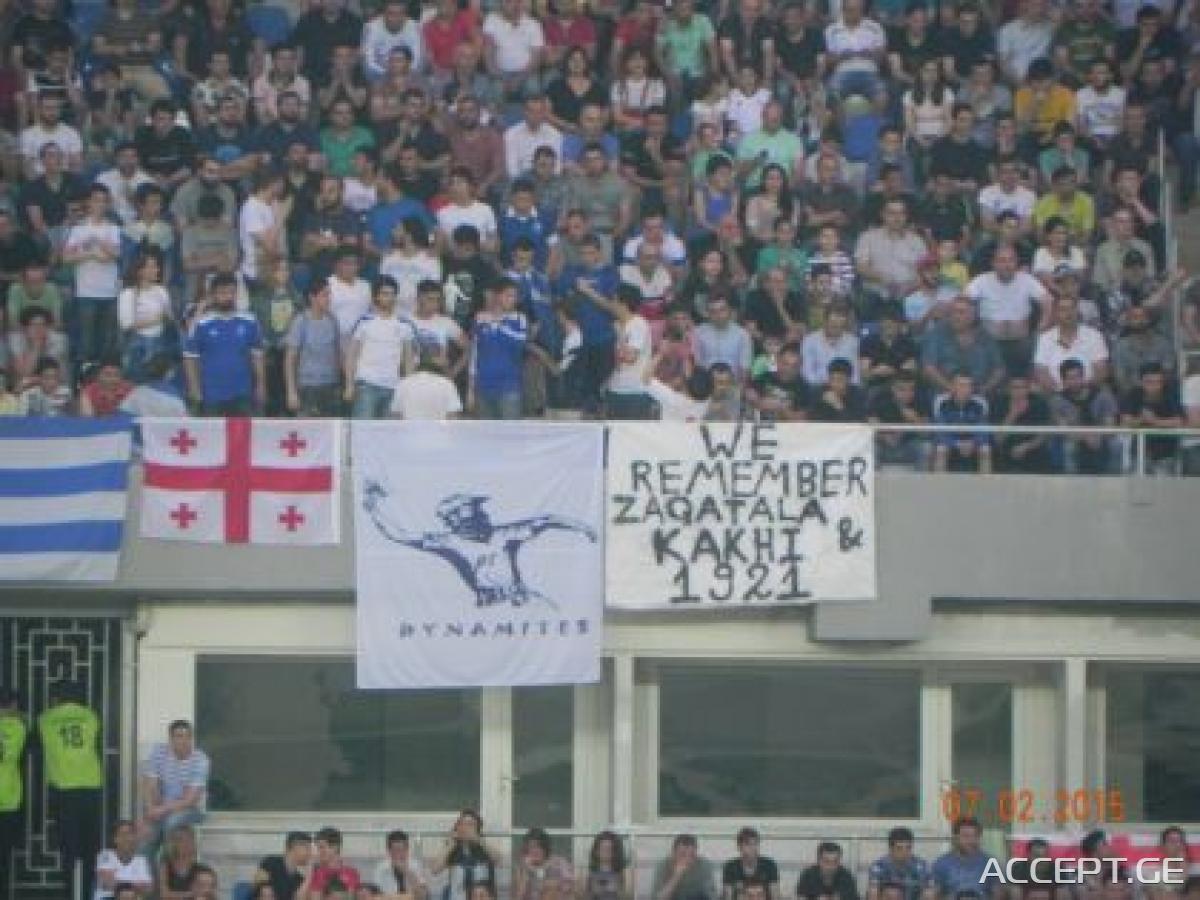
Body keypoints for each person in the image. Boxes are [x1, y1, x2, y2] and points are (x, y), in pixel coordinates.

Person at [38, 682, 104, 900]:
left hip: (64, 789)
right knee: (90, 846)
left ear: (56, 698)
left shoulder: (45, 719)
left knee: (69, 846)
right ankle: (86, 893)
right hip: (91, 787)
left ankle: (69, 893)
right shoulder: (91, 716)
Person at [183, 273, 267, 415]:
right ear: (213, 295)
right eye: (222, 293)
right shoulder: (200, 324)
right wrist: (195, 390)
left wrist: (261, 385)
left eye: (231, 292)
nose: (228, 297)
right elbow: (190, 358)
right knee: (212, 429)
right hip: (211, 395)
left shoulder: (250, 320)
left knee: (242, 429)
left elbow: (257, 355)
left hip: (242, 393)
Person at [345, 276, 417, 419]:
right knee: (363, 428)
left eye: (392, 294)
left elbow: (408, 361)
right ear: (376, 297)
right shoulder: (364, 322)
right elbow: (351, 356)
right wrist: (349, 385)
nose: (389, 298)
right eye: (385, 294)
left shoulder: (405, 325)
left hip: (393, 386)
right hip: (366, 384)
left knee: (388, 431)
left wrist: (408, 390)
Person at [138, 720, 209, 861]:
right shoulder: (159, 752)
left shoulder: (200, 760)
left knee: (172, 822)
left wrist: (160, 810)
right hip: (161, 808)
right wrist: (150, 811)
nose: (184, 740)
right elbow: (149, 785)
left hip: (191, 810)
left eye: (188, 736)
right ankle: (149, 874)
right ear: (170, 739)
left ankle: (168, 866)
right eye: (179, 736)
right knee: (145, 838)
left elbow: (190, 800)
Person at [932, 374, 993, 474]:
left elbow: (983, 432)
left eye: (968, 385)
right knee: (941, 449)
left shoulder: (980, 404)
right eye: (961, 385)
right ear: (953, 387)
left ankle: (986, 483)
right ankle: (939, 483)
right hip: (951, 441)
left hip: (972, 442)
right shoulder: (942, 403)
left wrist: (973, 443)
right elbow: (940, 432)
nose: (965, 389)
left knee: (985, 449)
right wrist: (957, 444)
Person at [431, 810, 497, 900]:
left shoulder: (484, 848)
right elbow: (434, 869)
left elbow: (499, 860)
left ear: (477, 829)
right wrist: (451, 844)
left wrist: (478, 840)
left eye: (470, 825)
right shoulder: (453, 849)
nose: (466, 828)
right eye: (462, 824)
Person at [0, 688, 27, 900]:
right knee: (4, 857)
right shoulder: (18, 727)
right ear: (12, 705)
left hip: (8, 801)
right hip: (8, 800)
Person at [931, 818, 999, 899]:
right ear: (956, 838)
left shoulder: (990, 863)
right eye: (966, 836)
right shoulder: (941, 864)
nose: (971, 840)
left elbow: (998, 894)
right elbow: (933, 894)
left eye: (975, 836)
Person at [95, 820, 153, 900]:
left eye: (130, 834)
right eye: (123, 834)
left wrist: (120, 884)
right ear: (115, 839)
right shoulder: (105, 856)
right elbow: (107, 883)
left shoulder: (141, 860)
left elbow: (148, 888)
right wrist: (134, 886)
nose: (127, 838)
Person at [513, 828, 574, 900]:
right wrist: (525, 872)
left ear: (545, 848)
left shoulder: (560, 864)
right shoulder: (523, 867)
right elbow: (518, 896)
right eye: (531, 847)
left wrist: (552, 884)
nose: (535, 851)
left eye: (539, 847)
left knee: (551, 887)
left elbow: (570, 890)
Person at [652, 834, 715, 900]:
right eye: (683, 854)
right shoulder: (663, 865)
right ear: (674, 853)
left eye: (692, 855)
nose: (687, 859)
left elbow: (711, 895)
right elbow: (659, 898)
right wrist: (677, 875)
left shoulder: (703, 865)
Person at [722, 828, 779, 900]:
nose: (753, 848)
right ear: (739, 847)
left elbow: (775, 895)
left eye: (755, 844)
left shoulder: (769, 865)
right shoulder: (730, 867)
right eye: (748, 844)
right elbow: (728, 896)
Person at [256, 832, 314, 900]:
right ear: (295, 847)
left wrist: (309, 875)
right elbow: (258, 890)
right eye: (307, 848)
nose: (310, 853)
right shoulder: (270, 862)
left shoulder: (299, 879)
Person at [372, 830, 427, 900]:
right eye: (397, 850)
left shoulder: (416, 866)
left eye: (404, 849)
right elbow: (377, 897)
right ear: (389, 851)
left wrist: (407, 872)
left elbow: (423, 896)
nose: (401, 854)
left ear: (408, 849)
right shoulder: (381, 870)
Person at [796, 842, 860, 900]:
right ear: (819, 861)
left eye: (835, 861)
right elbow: (800, 897)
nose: (831, 866)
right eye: (826, 861)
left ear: (840, 861)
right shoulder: (808, 876)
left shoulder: (846, 877)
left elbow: (853, 897)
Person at [310, 827, 363, 898]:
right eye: (318, 848)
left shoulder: (352, 873)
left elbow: (353, 896)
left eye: (322, 847)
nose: (319, 852)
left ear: (335, 847)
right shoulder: (317, 873)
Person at [580, 831, 632, 900]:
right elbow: (585, 896)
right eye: (602, 849)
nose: (605, 853)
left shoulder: (622, 874)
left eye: (609, 849)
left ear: (614, 852)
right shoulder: (590, 874)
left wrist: (617, 890)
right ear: (596, 851)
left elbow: (628, 896)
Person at [159, 824, 201, 900]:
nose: (185, 844)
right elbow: (164, 894)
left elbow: (202, 892)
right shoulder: (166, 865)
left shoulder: (200, 868)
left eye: (189, 840)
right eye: (180, 840)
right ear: (174, 843)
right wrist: (190, 894)